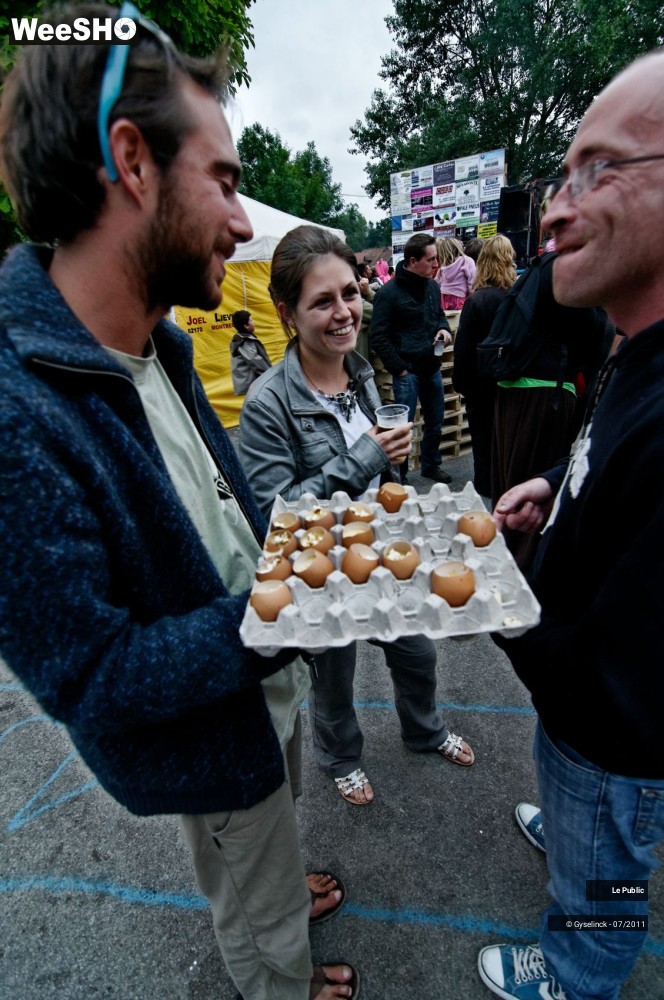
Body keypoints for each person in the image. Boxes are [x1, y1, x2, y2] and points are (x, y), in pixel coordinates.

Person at [0, 6, 358, 999]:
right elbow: (100, 682)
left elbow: (222, 511)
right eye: (228, 181)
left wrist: (300, 551)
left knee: (265, 841)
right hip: (210, 733)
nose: (245, 223)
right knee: (251, 880)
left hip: (260, 688)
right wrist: (283, 610)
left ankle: (280, 884)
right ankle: (281, 980)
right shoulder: (16, 416)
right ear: (133, 159)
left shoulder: (157, 340)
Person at [477, 49, 664, 1000]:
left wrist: (497, 606)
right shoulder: (640, 344)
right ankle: (576, 821)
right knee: (580, 800)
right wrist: (554, 480)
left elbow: (628, 679)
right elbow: (610, 459)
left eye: (598, 168)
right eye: (561, 174)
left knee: (608, 869)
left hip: (619, 740)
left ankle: (580, 971)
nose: (553, 206)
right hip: (580, 728)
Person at [238, 225, 474, 806]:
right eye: (323, 301)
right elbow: (278, 513)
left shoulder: (362, 372)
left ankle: (424, 730)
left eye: (349, 292)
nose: (345, 312)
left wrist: (401, 497)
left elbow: (382, 476)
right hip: (321, 565)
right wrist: (365, 455)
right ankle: (341, 756)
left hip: (383, 548)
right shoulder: (269, 403)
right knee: (334, 675)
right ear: (286, 313)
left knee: (417, 651)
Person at [490, 250, 612, 570]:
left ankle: (504, 564)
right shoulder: (566, 272)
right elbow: (594, 338)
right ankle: (519, 575)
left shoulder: (539, 269)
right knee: (529, 502)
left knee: (512, 490)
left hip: (511, 389)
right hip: (546, 392)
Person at [370, 233, 453, 484]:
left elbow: (439, 316)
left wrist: (444, 330)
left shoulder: (433, 286)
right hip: (407, 372)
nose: (436, 264)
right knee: (403, 428)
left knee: (435, 421)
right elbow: (378, 336)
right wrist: (400, 369)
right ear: (413, 260)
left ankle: (430, 466)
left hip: (431, 367)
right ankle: (401, 477)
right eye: (431, 260)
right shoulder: (388, 293)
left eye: (437, 259)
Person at [453, 234, 517, 498]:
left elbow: (464, 350)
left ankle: (487, 500)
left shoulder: (477, 301)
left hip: (481, 388)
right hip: (513, 385)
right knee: (508, 444)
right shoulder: (517, 298)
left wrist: (463, 386)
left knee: (483, 446)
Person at [229, 309, 272, 395]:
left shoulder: (243, 339)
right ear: (246, 326)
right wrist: (270, 374)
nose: (254, 322)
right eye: (251, 320)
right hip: (253, 383)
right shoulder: (244, 341)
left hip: (254, 383)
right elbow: (255, 360)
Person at [434, 236, 476, 310]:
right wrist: (471, 294)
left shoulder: (444, 265)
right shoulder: (466, 261)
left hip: (443, 297)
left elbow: (437, 282)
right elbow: (472, 280)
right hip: (459, 298)